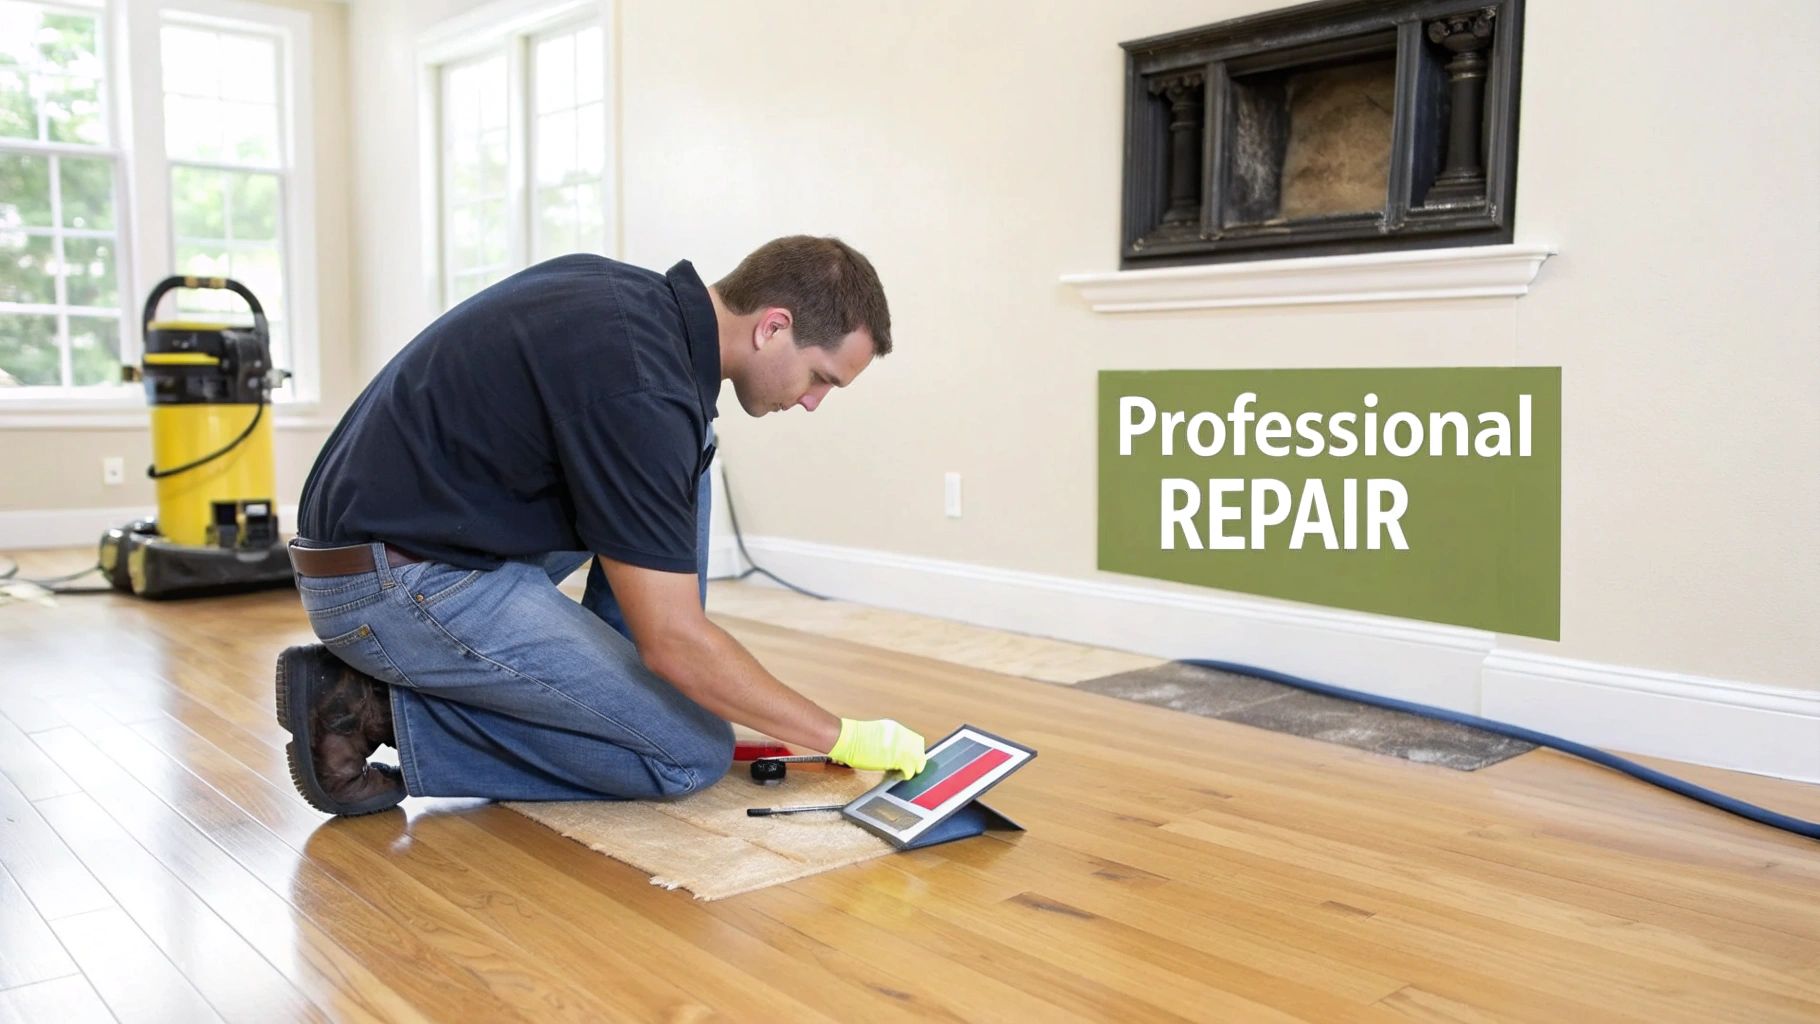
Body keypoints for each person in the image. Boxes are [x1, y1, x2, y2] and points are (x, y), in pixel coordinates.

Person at [275, 236, 928, 816]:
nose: (812, 402)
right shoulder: (646, 391)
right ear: (773, 327)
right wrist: (842, 736)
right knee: (690, 752)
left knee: (692, 454)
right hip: (391, 584)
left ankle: (625, 692)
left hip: (408, 537)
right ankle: (368, 710)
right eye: (820, 378)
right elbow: (675, 643)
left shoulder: (625, 301)